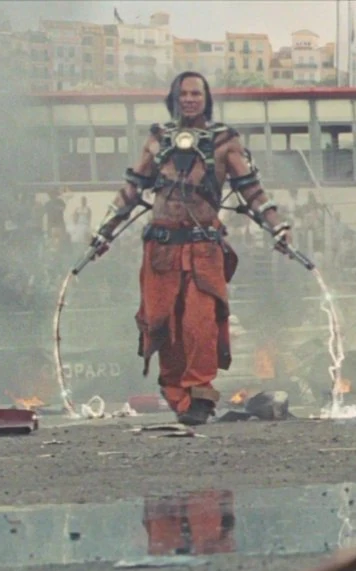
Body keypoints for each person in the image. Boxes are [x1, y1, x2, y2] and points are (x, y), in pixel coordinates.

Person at [89, 71, 293, 425]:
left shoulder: (225, 141)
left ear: (206, 98)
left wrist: (278, 226)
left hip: (202, 248)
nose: (189, 99)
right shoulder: (157, 139)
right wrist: (103, 232)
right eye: (183, 93)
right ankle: (177, 395)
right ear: (174, 98)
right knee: (161, 324)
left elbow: (250, 189)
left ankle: (200, 395)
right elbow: (132, 189)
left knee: (200, 324)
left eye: (196, 93)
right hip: (161, 248)